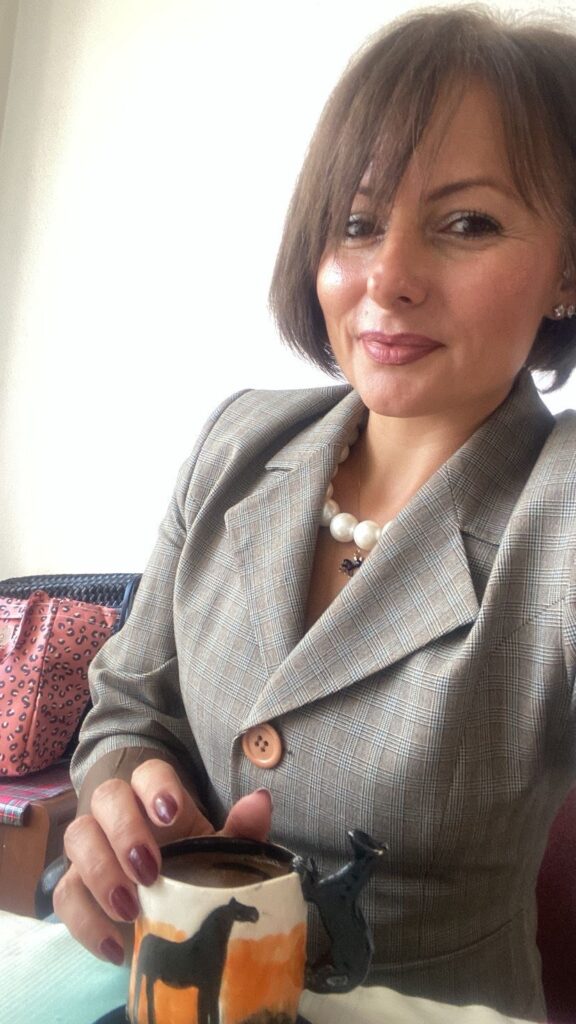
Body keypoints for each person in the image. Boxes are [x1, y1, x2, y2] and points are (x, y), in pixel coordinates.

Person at [55, 6, 576, 1020]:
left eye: (467, 223)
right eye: (357, 222)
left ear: (567, 265)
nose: (389, 278)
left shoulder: (554, 511)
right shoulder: (238, 443)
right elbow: (128, 704)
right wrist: (127, 797)